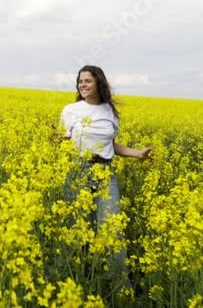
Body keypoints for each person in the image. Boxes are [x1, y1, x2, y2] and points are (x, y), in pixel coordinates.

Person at [56, 65, 151, 293]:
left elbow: (111, 145)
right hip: (78, 172)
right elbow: (61, 142)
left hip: (106, 174)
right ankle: (78, 288)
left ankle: (122, 292)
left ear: (99, 83)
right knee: (78, 232)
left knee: (112, 230)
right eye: (80, 81)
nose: (83, 85)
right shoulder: (70, 110)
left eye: (87, 81)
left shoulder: (110, 112)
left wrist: (137, 153)